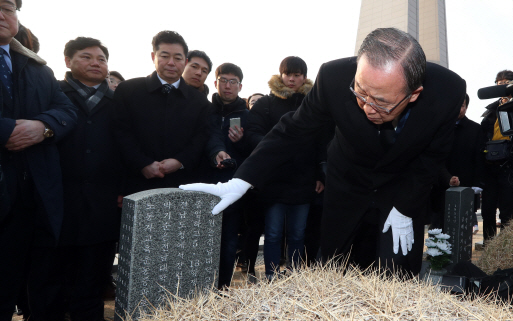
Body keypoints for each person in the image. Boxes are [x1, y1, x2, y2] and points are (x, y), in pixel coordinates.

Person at [181, 27, 466, 277]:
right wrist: (242, 179)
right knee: (333, 271)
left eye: (381, 102)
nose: (367, 108)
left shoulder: (447, 92)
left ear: (414, 93)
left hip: (403, 191)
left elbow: (432, 158)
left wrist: (404, 206)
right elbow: (292, 131)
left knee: (398, 276)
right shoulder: (333, 77)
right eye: (360, 92)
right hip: (347, 186)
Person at [15, 37, 120, 321]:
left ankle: (88, 319)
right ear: (68, 61)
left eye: (101, 58)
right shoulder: (53, 95)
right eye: (86, 57)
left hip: (101, 196)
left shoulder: (117, 102)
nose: (95, 63)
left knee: (94, 262)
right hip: (55, 195)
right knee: (48, 265)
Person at [0, 0, 77, 321]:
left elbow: (65, 110)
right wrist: (7, 131)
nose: (2, 14)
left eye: (7, 8)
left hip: (36, 191)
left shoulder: (36, 68)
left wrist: (43, 126)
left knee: (37, 270)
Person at [245, 56, 325, 280]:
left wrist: (321, 175)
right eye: (288, 73)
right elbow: (252, 133)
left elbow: (322, 142)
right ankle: (270, 275)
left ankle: (294, 276)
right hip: (273, 180)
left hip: (304, 180)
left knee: (298, 234)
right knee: (272, 233)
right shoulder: (266, 104)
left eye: (297, 74)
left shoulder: (313, 106)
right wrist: (273, 150)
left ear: (305, 77)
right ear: (280, 75)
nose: (292, 78)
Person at [112, 30, 209, 195]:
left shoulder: (200, 101)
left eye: (178, 58)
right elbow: (120, 132)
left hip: (182, 185)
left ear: (185, 62)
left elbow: (201, 137)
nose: (171, 63)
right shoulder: (128, 90)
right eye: (164, 56)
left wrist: (180, 161)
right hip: (135, 183)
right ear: (153, 57)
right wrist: (142, 163)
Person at [205, 63, 250, 287]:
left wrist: (240, 144)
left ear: (240, 86)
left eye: (233, 81)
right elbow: (203, 141)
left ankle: (222, 287)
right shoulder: (205, 110)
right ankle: (202, 285)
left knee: (229, 240)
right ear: (215, 83)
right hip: (205, 182)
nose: (228, 85)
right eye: (223, 80)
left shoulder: (247, 115)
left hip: (233, 186)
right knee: (204, 237)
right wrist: (215, 154)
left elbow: (254, 152)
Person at [480, 70, 513, 244]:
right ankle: (489, 246)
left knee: (507, 212)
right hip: (490, 166)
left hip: (511, 167)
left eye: (506, 82)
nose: (501, 85)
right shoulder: (490, 110)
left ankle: (504, 249)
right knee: (487, 210)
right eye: (498, 82)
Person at [430, 93, 484, 230]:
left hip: (465, 185)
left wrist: (476, 184)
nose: (459, 109)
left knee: (462, 228)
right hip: (439, 187)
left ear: (466, 107)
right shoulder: (438, 128)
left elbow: (479, 160)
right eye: (456, 104)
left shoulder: (476, 129)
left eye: (462, 105)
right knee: (438, 227)